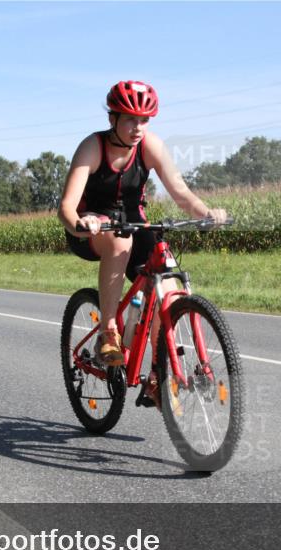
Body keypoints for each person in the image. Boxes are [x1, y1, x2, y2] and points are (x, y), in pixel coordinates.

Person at [58, 80, 227, 403]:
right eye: (131, 119)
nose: (138, 128)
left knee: (168, 281)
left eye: (145, 120)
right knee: (118, 242)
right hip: (90, 229)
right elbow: (66, 207)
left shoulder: (150, 146)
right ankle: (109, 331)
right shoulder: (92, 147)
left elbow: (181, 193)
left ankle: (156, 373)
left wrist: (207, 213)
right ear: (113, 119)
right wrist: (83, 222)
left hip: (135, 224)